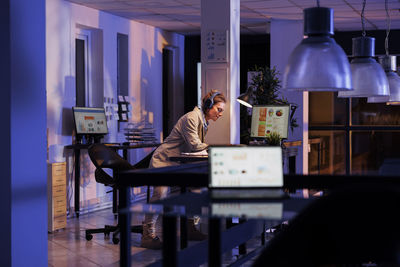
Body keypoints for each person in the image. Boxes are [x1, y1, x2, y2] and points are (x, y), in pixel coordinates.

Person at [141, 89, 226, 249]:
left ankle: (190, 228)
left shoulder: (203, 121)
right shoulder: (192, 118)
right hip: (164, 161)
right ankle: (147, 235)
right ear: (209, 106)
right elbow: (195, 145)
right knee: (161, 194)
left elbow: (196, 147)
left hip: (178, 163)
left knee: (196, 187)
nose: (220, 114)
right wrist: (216, 147)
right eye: (219, 109)